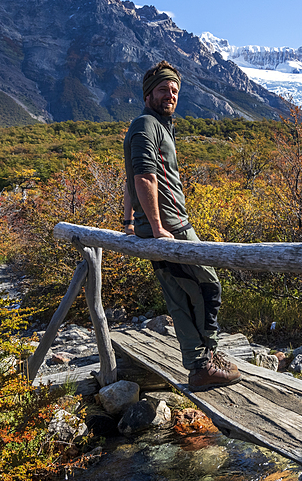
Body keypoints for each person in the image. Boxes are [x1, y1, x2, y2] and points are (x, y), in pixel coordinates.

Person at [122, 60, 241, 388]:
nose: (170, 95)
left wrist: (129, 222)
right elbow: (143, 176)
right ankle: (208, 359)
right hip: (171, 226)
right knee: (208, 285)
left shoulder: (155, 125)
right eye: (163, 89)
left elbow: (129, 180)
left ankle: (199, 364)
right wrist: (159, 228)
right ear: (149, 94)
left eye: (174, 90)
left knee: (180, 295)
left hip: (157, 227)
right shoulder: (147, 124)